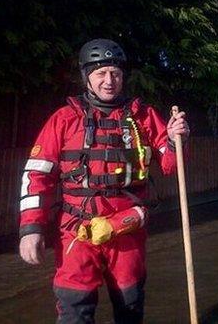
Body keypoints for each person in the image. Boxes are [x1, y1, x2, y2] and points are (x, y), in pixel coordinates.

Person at [18, 38, 190, 323]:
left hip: (127, 231)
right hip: (77, 232)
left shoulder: (144, 117)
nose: (109, 81)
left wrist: (175, 140)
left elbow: (171, 165)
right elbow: (37, 175)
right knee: (75, 310)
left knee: (130, 307)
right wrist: (31, 228)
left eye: (116, 74)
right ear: (87, 76)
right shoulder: (63, 120)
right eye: (101, 73)